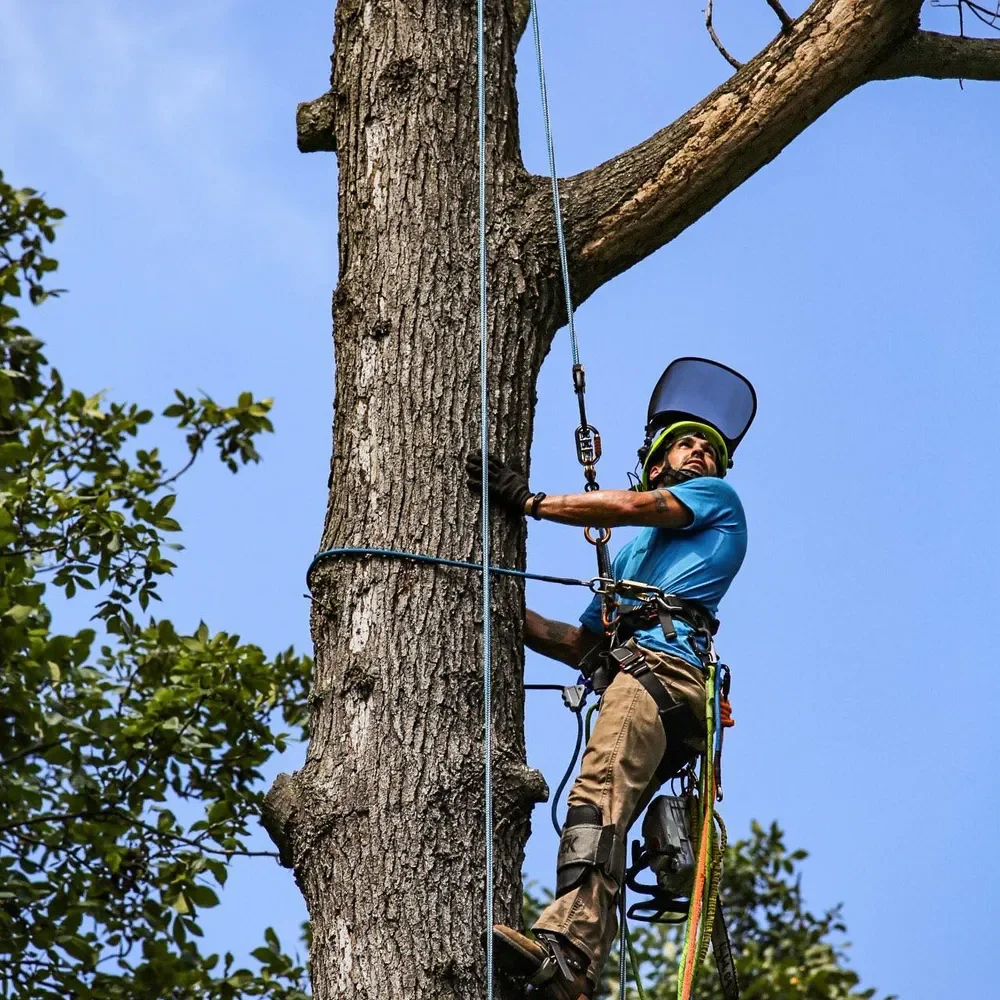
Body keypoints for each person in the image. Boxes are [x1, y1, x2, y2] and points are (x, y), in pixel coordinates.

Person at [467, 416, 748, 1000]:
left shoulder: (714, 500)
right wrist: (488, 599)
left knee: (595, 798)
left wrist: (531, 502)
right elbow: (583, 644)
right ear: (657, 462)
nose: (698, 455)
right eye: (684, 446)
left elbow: (627, 505)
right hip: (644, 683)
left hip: (660, 675)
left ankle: (567, 949)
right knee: (607, 815)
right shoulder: (630, 559)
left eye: (708, 451)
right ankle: (575, 965)